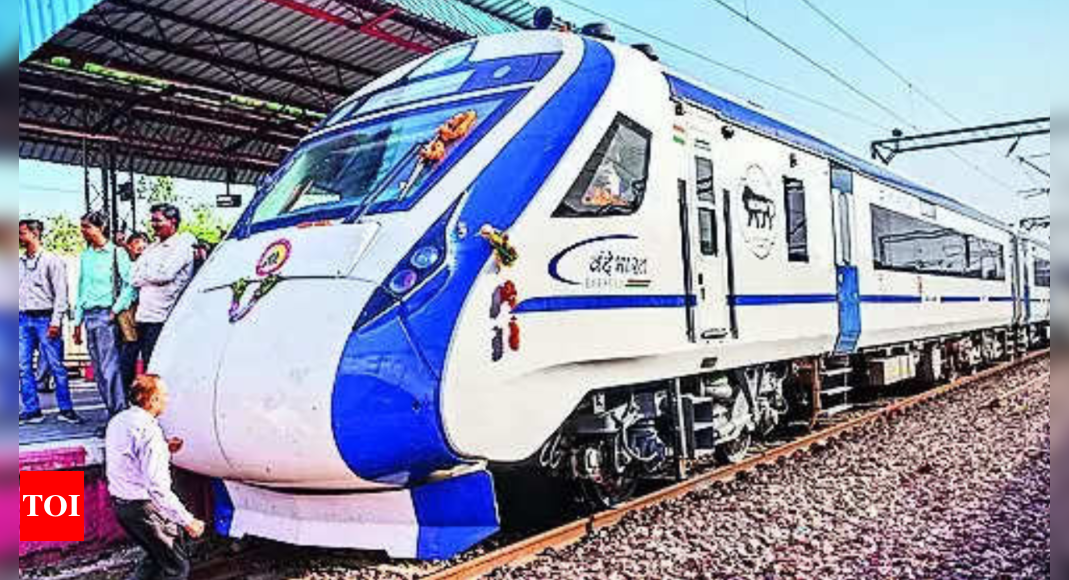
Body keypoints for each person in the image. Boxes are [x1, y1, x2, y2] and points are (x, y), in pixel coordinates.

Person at [106, 374, 206, 580]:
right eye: (164, 395)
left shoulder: (119, 420)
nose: (167, 399)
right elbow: (157, 487)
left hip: (122, 506)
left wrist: (164, 448)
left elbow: (130, 456)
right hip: (144, 508)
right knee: (176, 568)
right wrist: (188, 521)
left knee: (155, 559)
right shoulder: (150, 431)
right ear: (152, 400)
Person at [73, 211, 136, 425]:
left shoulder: (117, 253)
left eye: (86, 226)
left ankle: (118, 416)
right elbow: (82, 287)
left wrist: (114, 310)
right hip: (89, 315)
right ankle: (112, 412)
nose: (83, 230)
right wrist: (77, 321)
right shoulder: (86, 255)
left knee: (110, 369)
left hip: (106, 315)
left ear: (101, 228)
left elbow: (130, 285)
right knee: (99, 372)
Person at [18, 219, 80, 425]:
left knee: (56, 366)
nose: (18, 237)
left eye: (22, 233)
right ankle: (32, 409)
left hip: (46, 319)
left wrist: (56, 322)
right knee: (23, 366)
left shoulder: (52, 261)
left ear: (35, 235)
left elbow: (62, 294)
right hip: (22, 319)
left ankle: (66, 409)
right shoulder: (17, 262)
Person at [131, 205, 196, 367]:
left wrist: (146, 273)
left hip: (163, 318)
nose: (153, 225)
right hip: (144, 316)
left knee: (160, 369)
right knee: (148, 366)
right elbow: (133, 277)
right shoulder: (152, 247)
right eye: (152, 220)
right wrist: (152, 274)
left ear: (173, 221)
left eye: (158, 220)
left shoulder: (182, 246)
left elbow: (165, 275)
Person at [119, 232, 149, 390]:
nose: (141, 246)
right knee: (130, 347)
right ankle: (126, 388)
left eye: (144, 243)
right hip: (128, 308)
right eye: (136, 242)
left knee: (146, 348)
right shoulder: (126, 262)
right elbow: (130, 282)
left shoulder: (150, 261)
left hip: (147, 308)